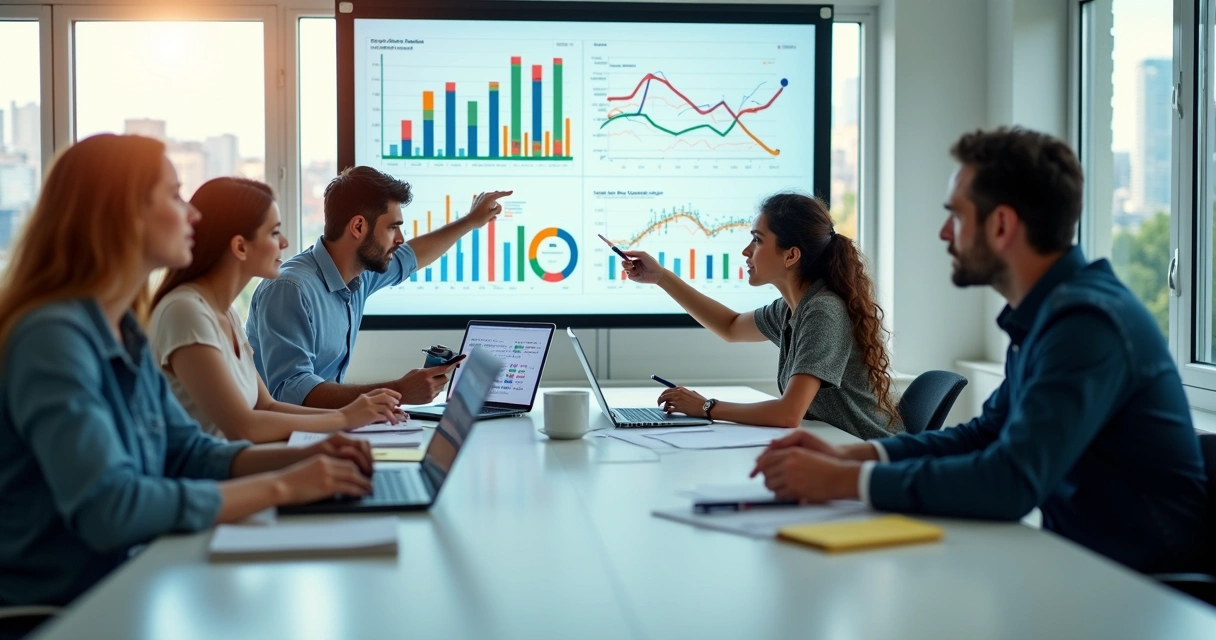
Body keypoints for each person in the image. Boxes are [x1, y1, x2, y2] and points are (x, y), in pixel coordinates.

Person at [751, 127, 1208, 573]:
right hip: (1084, 569)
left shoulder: (1087, 323)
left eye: (956, 216)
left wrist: (845, 481)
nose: (944, 234)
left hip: (1143, 590)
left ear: (1002, 224)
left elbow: (1010, 482)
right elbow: (987, 433)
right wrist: (856, 456)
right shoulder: (1050, 313)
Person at [0, 135, 377, 608]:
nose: (194, 215)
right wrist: (284, 486)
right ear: (121, 214)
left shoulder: (124, 334)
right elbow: (110, 509)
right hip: (59, 612)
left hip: (128, 585)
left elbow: (191, 455)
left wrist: (313, 457)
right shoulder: (52, 339)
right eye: (176, 195)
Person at [622, 193, 900, 439]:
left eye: (757, 240)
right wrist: (661, 277)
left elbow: (789, 413)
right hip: (837, 447)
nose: (746, 251)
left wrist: (706, 407)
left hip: (872, 457)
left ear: (791, 255)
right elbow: (730, 327)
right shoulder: (791, 307)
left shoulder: (823, 311)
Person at [149, 177, 404, 443]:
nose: (284, 242)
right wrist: (344, 419)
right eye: (274, 233)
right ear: (240, 246)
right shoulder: (185, 312)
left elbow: (266, 406)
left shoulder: (226, 313)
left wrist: (353, 417)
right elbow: (245, 428)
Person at [245, 166, 510, 409]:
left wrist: (469, 222)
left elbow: (411, 256)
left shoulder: (357, 275)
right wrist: (398, 391)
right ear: (358, 226)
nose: (400, 238)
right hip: (283, 441)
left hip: (323, 429)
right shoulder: (291, 289)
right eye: (393, 227)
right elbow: (292, 393)